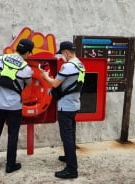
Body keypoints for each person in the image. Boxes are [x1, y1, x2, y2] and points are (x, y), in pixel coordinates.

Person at [0, 39, 34, 173]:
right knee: (13, 134)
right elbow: (29, 84)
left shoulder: (0, 59)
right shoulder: (26, 68)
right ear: (28, 52)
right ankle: (10, 165)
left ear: (17, 48)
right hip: (14, 107)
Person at [41, 41, 85, 179]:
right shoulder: (80, 65)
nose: (62, 57)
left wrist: (44, 75)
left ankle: (72, 169)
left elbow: (54, 83)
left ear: (66, 52)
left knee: (67, 136)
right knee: (71, 134)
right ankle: (68, 156)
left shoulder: (68, 66)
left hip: (65, 106)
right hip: (74, 104)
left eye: (62, 54)